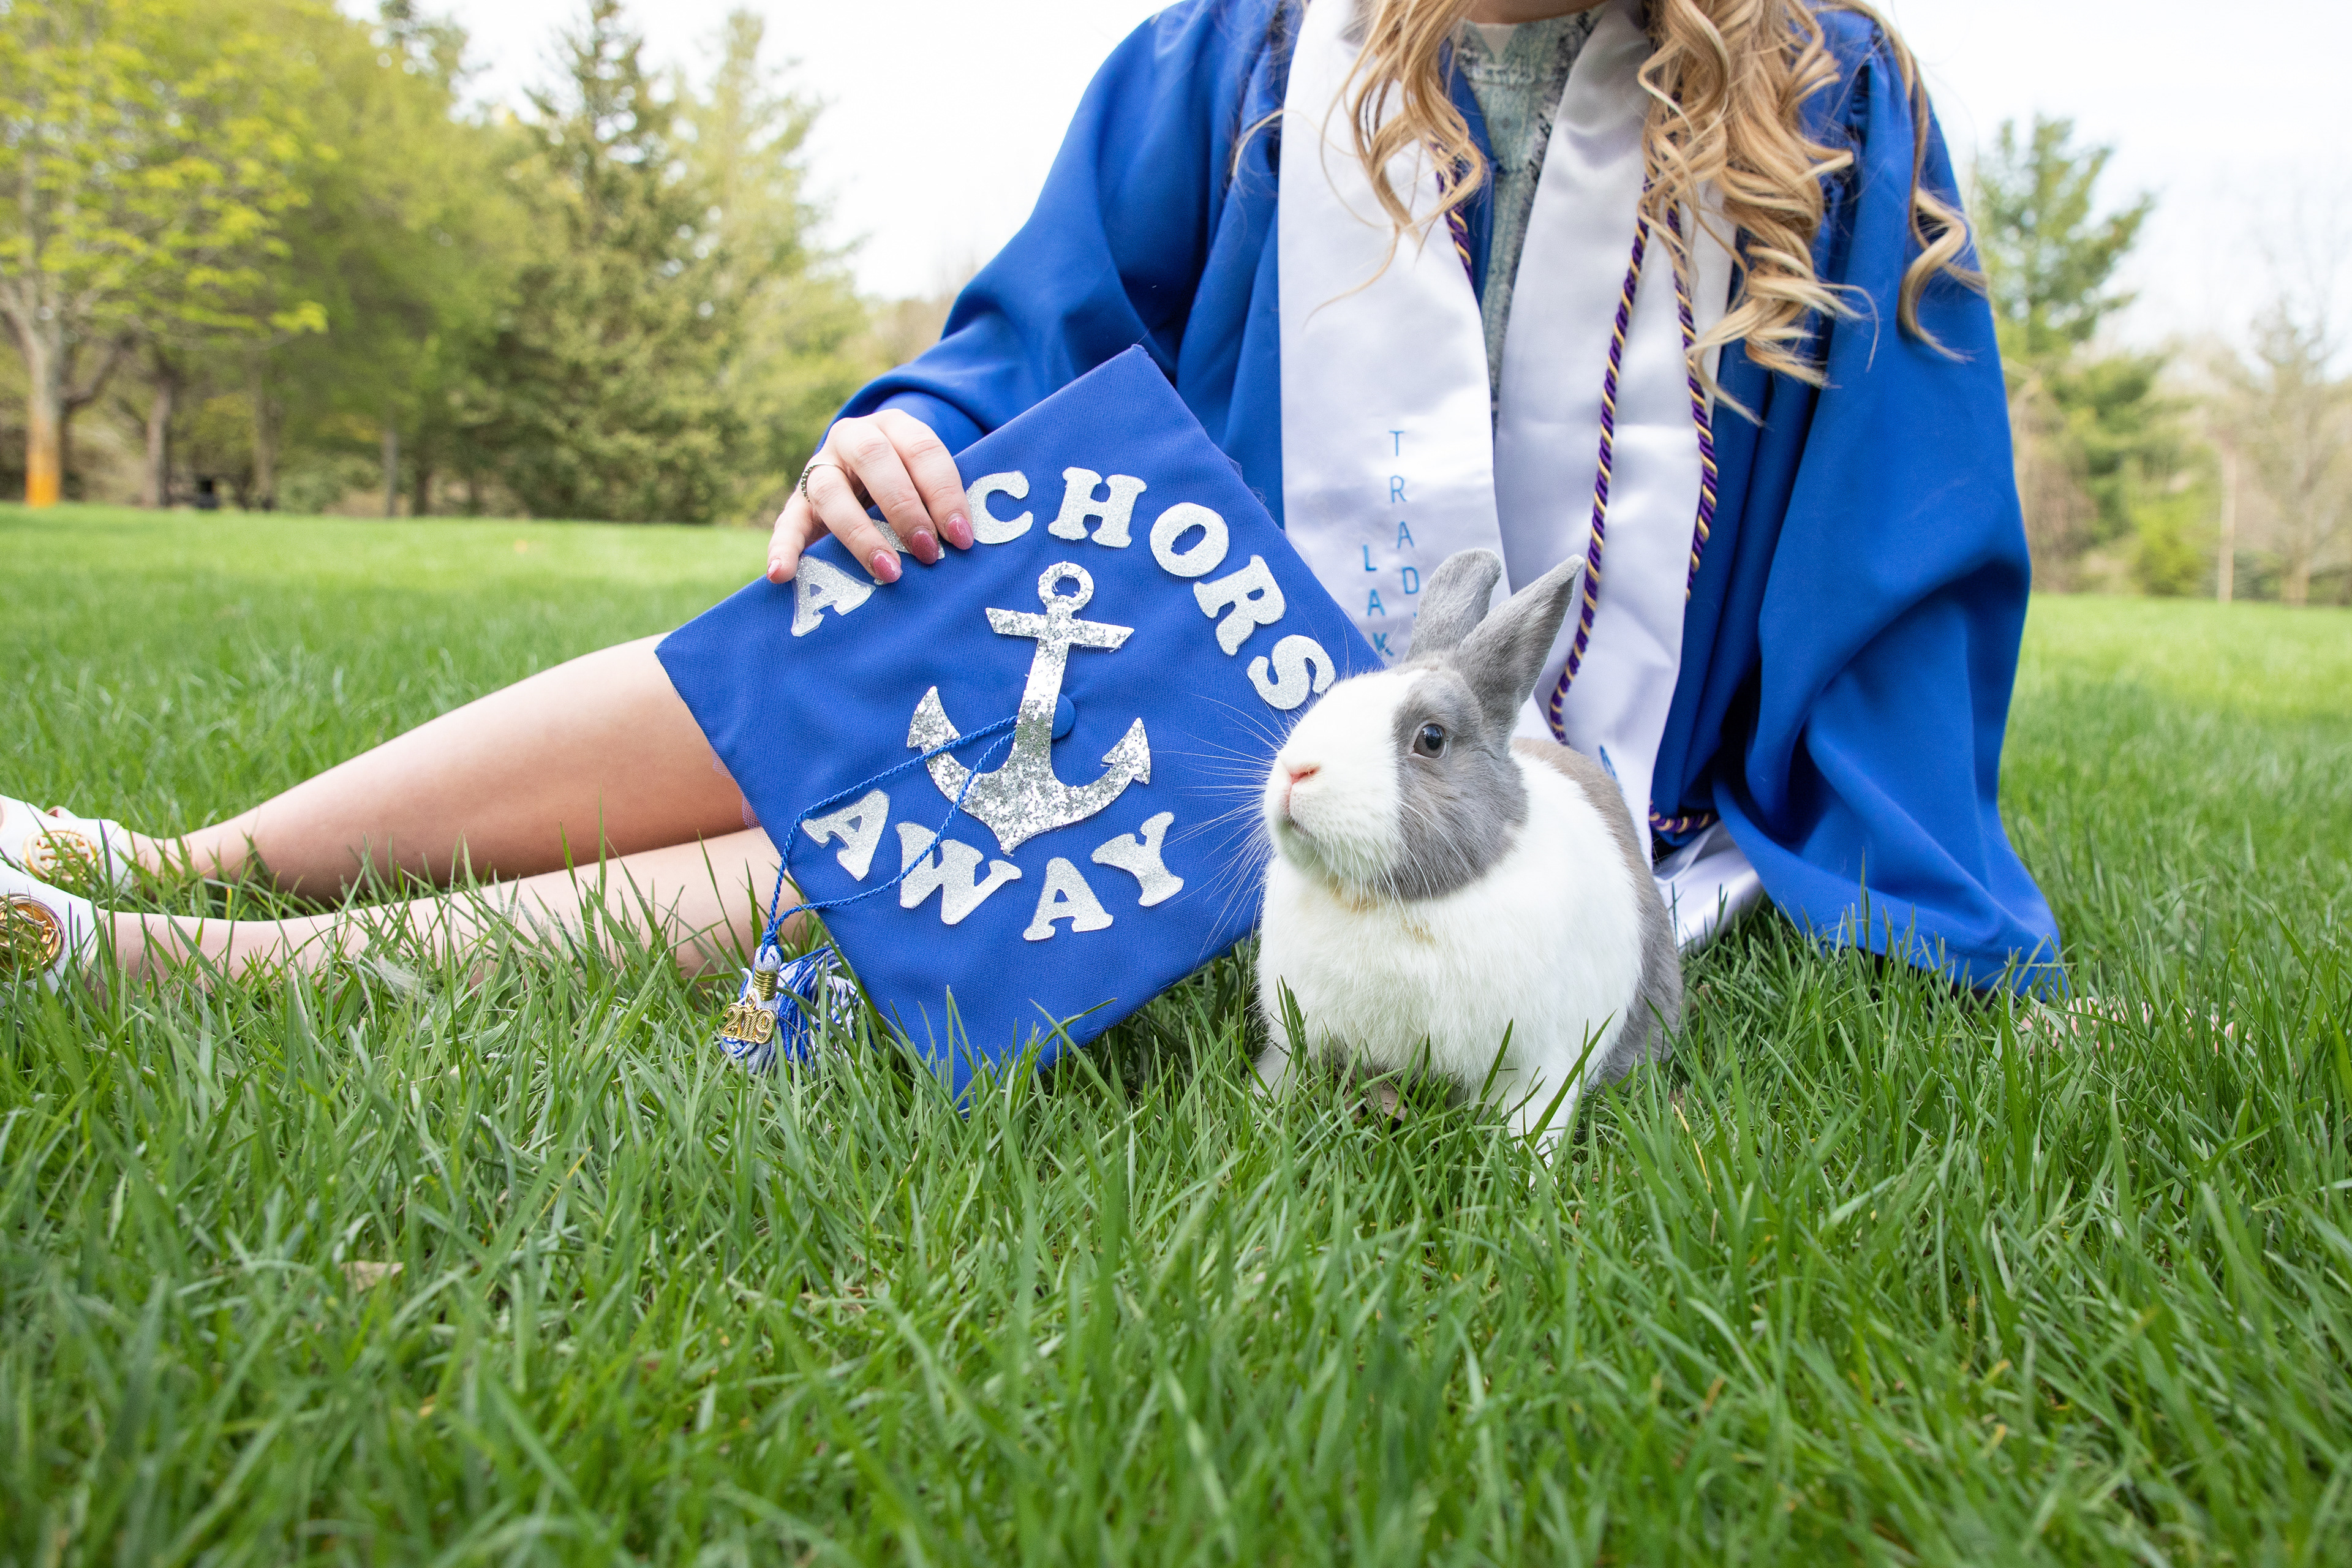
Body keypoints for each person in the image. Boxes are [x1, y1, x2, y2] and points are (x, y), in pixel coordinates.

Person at [1, 0, 2058, 1001]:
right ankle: (180, 854)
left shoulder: (1827, 103)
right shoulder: (1256, 52)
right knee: (836, 650)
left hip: (1556, 770)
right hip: (1195, 626)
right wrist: (900, 428)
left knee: (913, 839)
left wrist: (1905, 869)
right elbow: (1041, 331)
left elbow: (1906, 540)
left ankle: (188, 965)